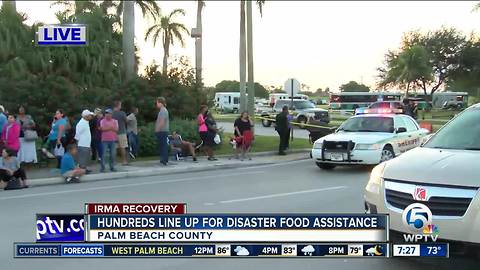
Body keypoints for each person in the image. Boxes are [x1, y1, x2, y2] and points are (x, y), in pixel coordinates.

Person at [112, 100, 129, 165]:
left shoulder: (111, 113)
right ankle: (124, 161)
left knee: (114, 148)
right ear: (118, 105)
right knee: (123, 147)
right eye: (120, 105)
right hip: (122, 131)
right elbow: (126, 121)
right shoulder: (122, 113)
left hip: (113, 132)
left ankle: (114, 161)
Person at [155, 97, 170, 166]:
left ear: (161, 103)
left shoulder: (163, 111)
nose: (157, 104)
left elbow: (162, 122)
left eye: (157, 103)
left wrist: (158, 129)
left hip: (162, 131)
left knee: (163, 145)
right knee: (162, 145)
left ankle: (164, 160)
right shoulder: (162, 111)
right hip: (162, 130)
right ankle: (163, 159)